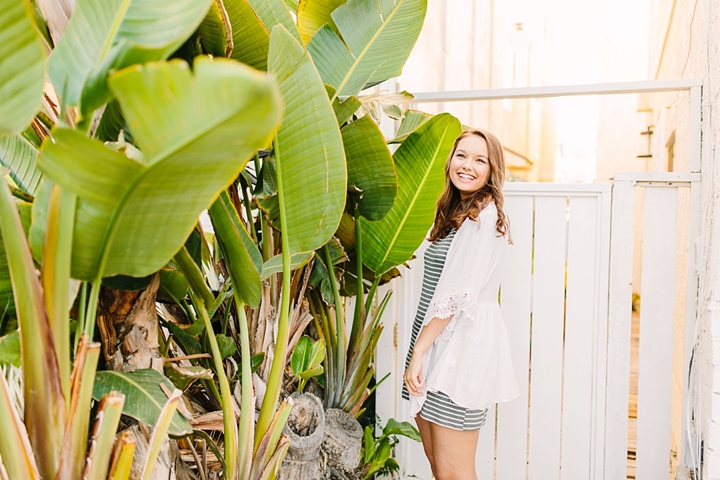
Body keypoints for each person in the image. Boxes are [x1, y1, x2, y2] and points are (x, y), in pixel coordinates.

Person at [402, 129, 519, 480]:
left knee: (454, 472)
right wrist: (420, 349)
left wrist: (420, 351)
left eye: (479, 160)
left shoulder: (483, 219)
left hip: (459, 353)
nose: (467, 165)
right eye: (461, 155)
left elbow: (457, 296)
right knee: (439, 465)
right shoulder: (457, 213)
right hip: (432, 344)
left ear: (492, 170)